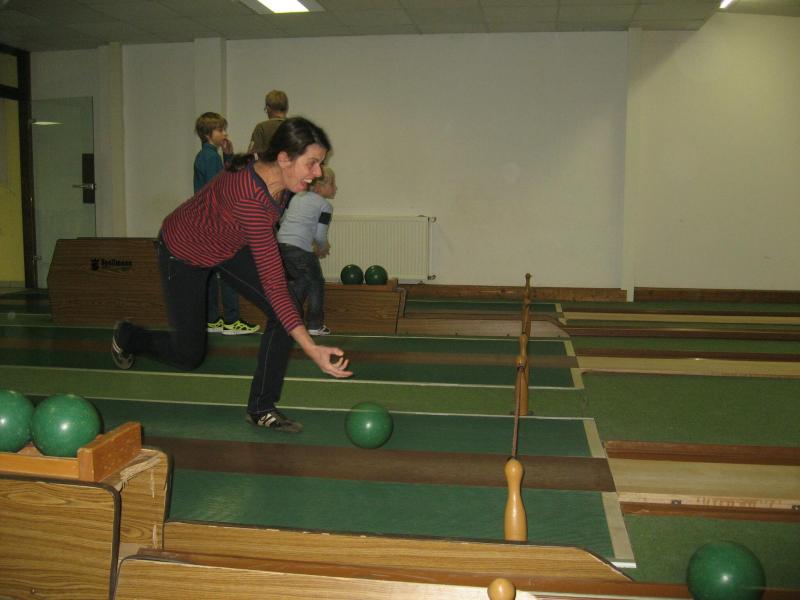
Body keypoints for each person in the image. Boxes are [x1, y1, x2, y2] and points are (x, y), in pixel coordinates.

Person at [111, 117, 352, 433]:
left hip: (228, 244)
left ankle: (261, 407)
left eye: (320, 163)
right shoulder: (249, 198)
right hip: (183, 251)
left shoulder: (276, 178)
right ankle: (128, 336)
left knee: (286, 310)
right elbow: (274, 284)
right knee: (188, 354)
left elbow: (243, 165)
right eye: (312, 163)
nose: (317, 172)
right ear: (284, 158)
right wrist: (312, 348)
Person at [193, 112, 259, 336]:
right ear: (207, 134)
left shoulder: (206, 155)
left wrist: (228, 156)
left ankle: (212, 319)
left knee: (212, 272)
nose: (225, 133)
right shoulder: (210, 158)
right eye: (220, 130)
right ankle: (231, 320)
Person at [278, 165, 336, 336]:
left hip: (281, 245)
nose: (335, 188)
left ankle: (291, 323)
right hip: (300, 248)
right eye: (332, 184)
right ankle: (315, 325)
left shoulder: (297, 197)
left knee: (300, 282)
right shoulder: (325, 205)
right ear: (319, 186)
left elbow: (283, 219)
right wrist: (323, 247)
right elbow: (320, 234)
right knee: (316, 283)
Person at [248, 89, 288, 157]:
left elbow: (252, 156)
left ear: (268, 108)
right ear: (286, 108)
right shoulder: (296, 127)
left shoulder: (261, 128)